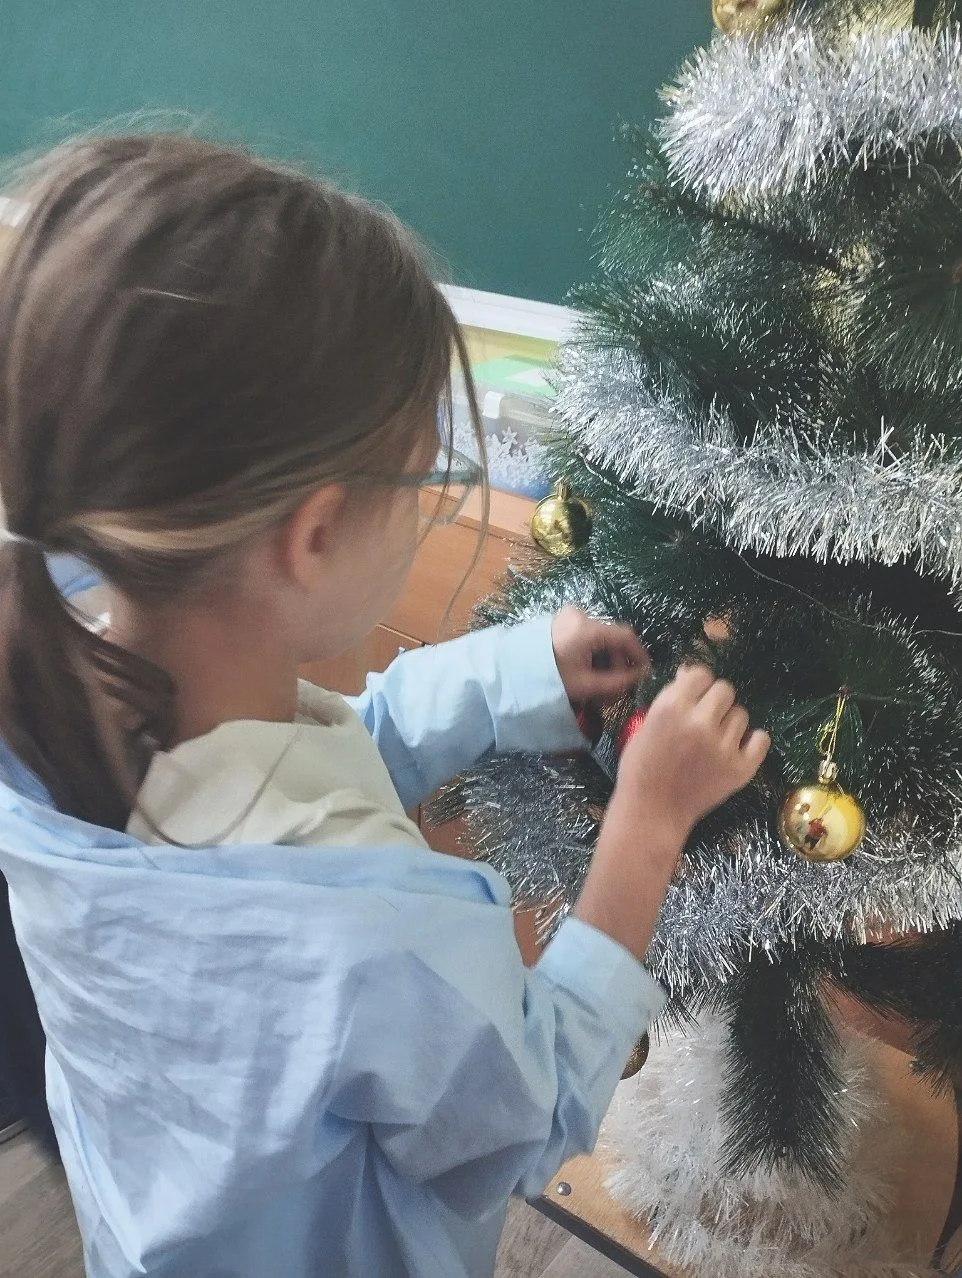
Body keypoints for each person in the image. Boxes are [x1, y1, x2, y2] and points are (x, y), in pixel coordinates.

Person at [0, 133, 769, 1278]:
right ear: (312, 535)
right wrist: (647, 824)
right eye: (420, 482)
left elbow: (317, 757)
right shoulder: (364, 931)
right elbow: (526, 1107)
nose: (424, 507)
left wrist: (512, 674)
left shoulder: (74, 693)